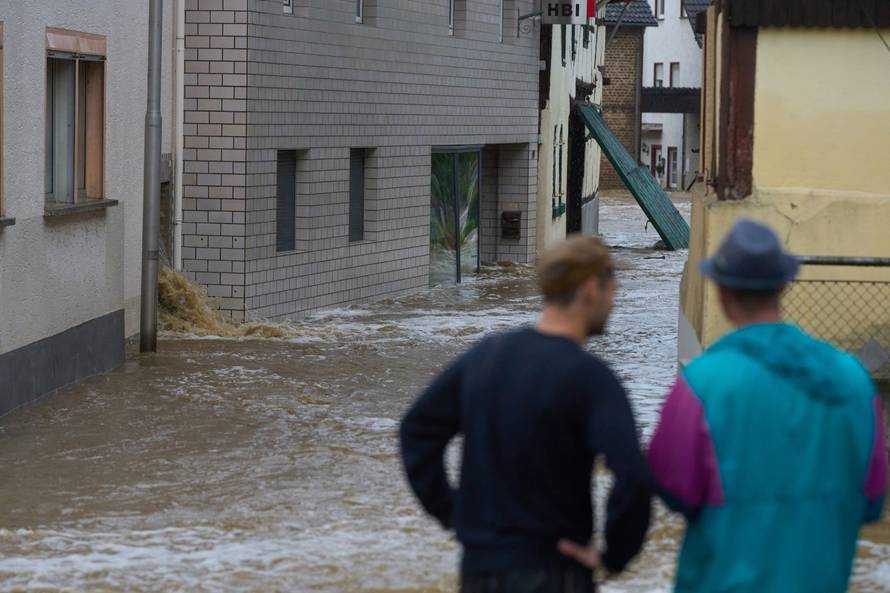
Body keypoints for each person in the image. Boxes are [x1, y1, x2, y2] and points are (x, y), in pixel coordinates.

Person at [399, 235, 651, 593]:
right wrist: (614, 555)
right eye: (612, 289)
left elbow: (416, 431)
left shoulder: (484, 358)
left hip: (480, 571)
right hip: (555, 572)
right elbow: (632, 474)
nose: (614, 300)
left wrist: (453, 513)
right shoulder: (592, 378)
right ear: (591, 288)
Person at [648, 219, 888, 593]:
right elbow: (872, 500)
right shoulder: (853, 381)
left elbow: (674, 489)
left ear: (723, 294)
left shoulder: (701, 384)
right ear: (782, 287)